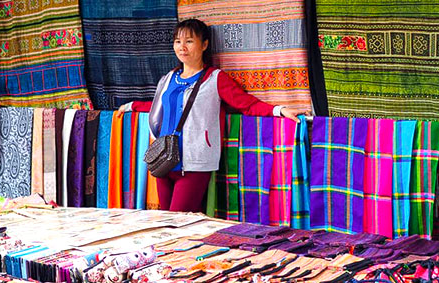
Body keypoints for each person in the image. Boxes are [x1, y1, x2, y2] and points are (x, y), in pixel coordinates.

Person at [122, 18, 307, 212]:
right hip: (163, 160)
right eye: (178, 41)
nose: (182, 47)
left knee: (179, 221)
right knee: (164, 223)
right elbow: (159, 107)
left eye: (189, 41)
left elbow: (246, 104)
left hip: (194, 163)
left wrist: (279, 110)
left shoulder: (215, 78)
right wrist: (131, 106)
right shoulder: (168, 78)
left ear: (204, 44)